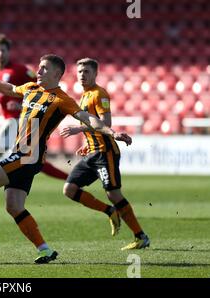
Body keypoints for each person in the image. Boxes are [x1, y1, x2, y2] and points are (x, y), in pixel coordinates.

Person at [0, 54, 132, 263]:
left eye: (44, 68)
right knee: (14, 206)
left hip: (28, 156)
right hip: (23, 155)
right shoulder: (31, 88)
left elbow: (88, 118)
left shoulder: (61, 99)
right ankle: (45, 249)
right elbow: (9, 89)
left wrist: (112, 132)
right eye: (39, 67)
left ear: (57, 74)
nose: (39, 71)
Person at [0, 34, 69, 213]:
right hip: (11, 121)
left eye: (4, 50)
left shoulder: (20, 70)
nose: (1, 53)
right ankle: (70, 178)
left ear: (9, 52)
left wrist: (19, 104)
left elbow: (40, 89)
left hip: (18, 120)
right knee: (30, 160)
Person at [60, 58, 150, 250]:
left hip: (105, 153)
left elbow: (105, 123)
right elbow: (92, 125)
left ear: (95, 74)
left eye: (86, 72)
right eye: (80, 72)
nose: (82, 75)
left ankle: (140, 236)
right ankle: (110, 212)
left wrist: (78, 129)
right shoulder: (84, 96)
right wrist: (86, 143)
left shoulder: (99, 94)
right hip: (91, 153)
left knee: (113, 193)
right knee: (69, 189)